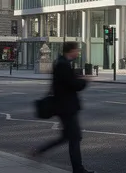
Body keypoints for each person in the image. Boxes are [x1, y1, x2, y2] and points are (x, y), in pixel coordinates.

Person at [32, 42, 92, 173]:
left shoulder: (61, 62)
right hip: (66, 107)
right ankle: (78, 169)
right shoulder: (63, 65)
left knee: (67, 137)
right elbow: (72, 84)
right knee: (74, 137)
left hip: (64, 106)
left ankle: (40, 150)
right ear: (70, 50)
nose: (78, 52)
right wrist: (84, 81)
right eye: (77, 50)